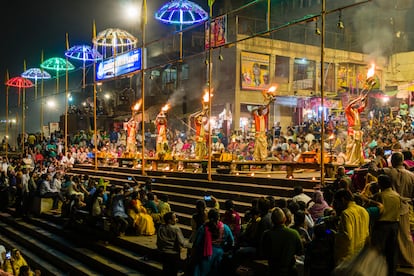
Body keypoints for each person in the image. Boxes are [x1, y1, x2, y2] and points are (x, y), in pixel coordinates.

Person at [371, 152, 414, 268]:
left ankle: (391, 262)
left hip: (388, 208)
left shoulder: (388, 172)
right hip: (405, 208)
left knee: (389, 237)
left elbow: (372, 169)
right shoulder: (411, 175)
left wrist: (378, 157)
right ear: (402, 161)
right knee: (405, 235)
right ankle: (408, 260)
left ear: (393, 162)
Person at [260, 207, 303, 276]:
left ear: (272, 220)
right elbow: (300, 251)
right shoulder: (294, 233)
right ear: (284, 219)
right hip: (290, 270)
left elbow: (263, 253)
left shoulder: (267, 234)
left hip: (273, 270)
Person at [371, 174, 400, 276]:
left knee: (378, 252)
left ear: (381, 184)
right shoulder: (397, 195)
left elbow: (374, 211)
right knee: (392, 252)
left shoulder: (379, 196)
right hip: (394, 225)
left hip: (382, 226)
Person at [192, 208, 234, 276]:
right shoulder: (225, 228)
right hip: (219, 255)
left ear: (208, 217)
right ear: (219, 217)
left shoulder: (203, 228)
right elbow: (231, 241)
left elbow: (197, 243)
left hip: (205, 254)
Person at [333, 189, 370, 265]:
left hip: (348, 256)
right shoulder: (363, 210)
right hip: (361, 254)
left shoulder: (346, 213)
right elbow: (367, 233)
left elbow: (346, 236)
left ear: (342, 200)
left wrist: (334, 234)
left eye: (337, 203)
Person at [344, 93, 368, 165]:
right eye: (353, 103)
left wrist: (365, 99)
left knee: (358, 146)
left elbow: (364, 106)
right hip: (352, 130)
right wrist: (358, 98)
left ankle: (357, 159)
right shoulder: (347, 110)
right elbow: (350, 104)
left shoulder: (357, 110)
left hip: (358, 130)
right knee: (352, 146)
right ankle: (351, 160)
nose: (355, 104)